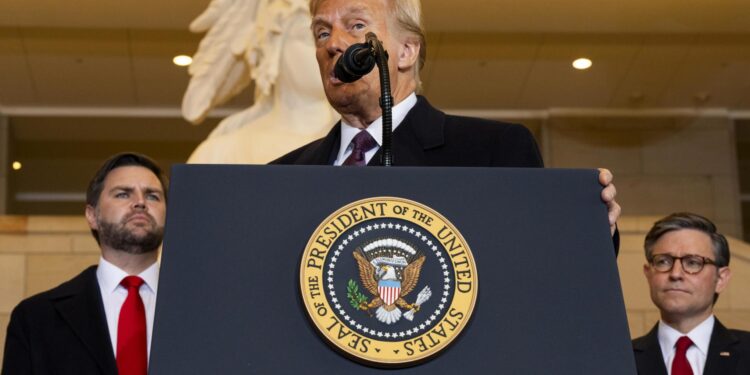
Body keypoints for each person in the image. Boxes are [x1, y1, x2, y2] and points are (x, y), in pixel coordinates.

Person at [272, 0, 620, 239]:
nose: (333, 44)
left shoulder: (492, 152)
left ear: (407, 51)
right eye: (321, 32)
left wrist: (588, 231)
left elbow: (541, 262)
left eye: (356, 25)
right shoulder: (280, 178)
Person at [2, 153, 168, 375]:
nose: (140, 202)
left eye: (153, 196)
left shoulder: (202, 310)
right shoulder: (36, 319)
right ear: (92, 216)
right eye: (122, 194)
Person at [183, 0, 338, 164]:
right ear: (271, 48)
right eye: (312, 39)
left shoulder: (358, 146)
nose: (329, 49)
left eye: (326, 36)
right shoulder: (218, 154)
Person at [632, 212, 750, 374]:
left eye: (693, 263)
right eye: (663, 261)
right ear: (648, 273)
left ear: (721, 279)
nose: (676, 274)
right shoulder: (621, 357)